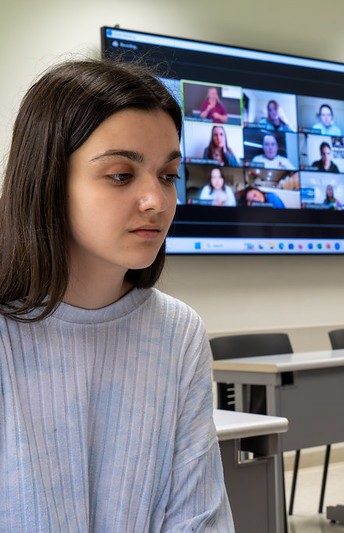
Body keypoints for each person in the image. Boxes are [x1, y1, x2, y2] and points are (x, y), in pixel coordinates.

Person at [0, 59, 233, 530]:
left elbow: (198, 520)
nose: (158, 201)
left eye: (167, 175)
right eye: (122, 175)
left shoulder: (178, 331)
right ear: (47, 180)